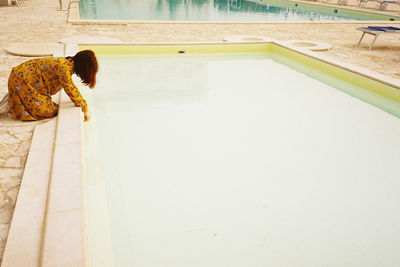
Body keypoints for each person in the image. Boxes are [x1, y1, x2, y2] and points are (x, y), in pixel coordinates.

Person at [6, 50, 98, 122]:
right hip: (21, 79)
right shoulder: (64, 68)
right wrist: (85, 109)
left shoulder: (67, 63)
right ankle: (13, 103)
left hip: (22, 76)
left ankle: (16, 100)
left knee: (52, 107)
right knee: (47, 111)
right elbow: (71, 89)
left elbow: (71, 88)